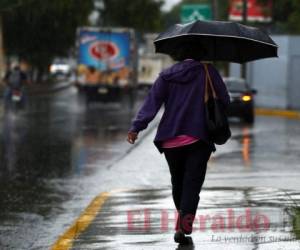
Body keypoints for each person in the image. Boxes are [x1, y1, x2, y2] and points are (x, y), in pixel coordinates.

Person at [127, 48, 230, 244]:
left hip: (170, 139)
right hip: (198, 137)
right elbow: (224, 100)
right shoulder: (208, 71)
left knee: (178, 181)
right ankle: (184, 224)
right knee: (192, 183)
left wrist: (136, 127)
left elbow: (152, 103)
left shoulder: (166, 76)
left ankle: (182, 219)